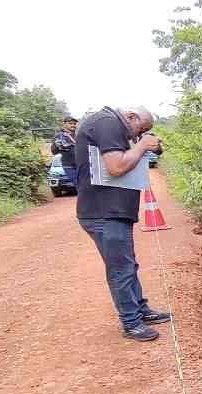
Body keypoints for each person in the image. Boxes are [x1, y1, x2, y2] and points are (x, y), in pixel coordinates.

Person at [74, 106, 170, 341]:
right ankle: (131, 322)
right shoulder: (108, 123)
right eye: (142, 128)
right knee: (121, 269)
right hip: (103, 212)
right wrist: (142, 145)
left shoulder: (113, 126)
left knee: (128, 265)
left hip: (113, 212)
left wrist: (150, 145)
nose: (138, 135)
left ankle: (141, 310)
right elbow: (116, 167)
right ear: (131, 117)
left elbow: (141, 154)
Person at [51, 117, 79, 188]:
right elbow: (54, 151)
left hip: (80, 164)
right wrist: (57, 145)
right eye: (70, 123)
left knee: (85, 185)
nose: (73, 125)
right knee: (79, 184)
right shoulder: (59, 135)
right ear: (64, 124)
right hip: (69, 165)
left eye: (74, 124)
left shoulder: (78, 135)